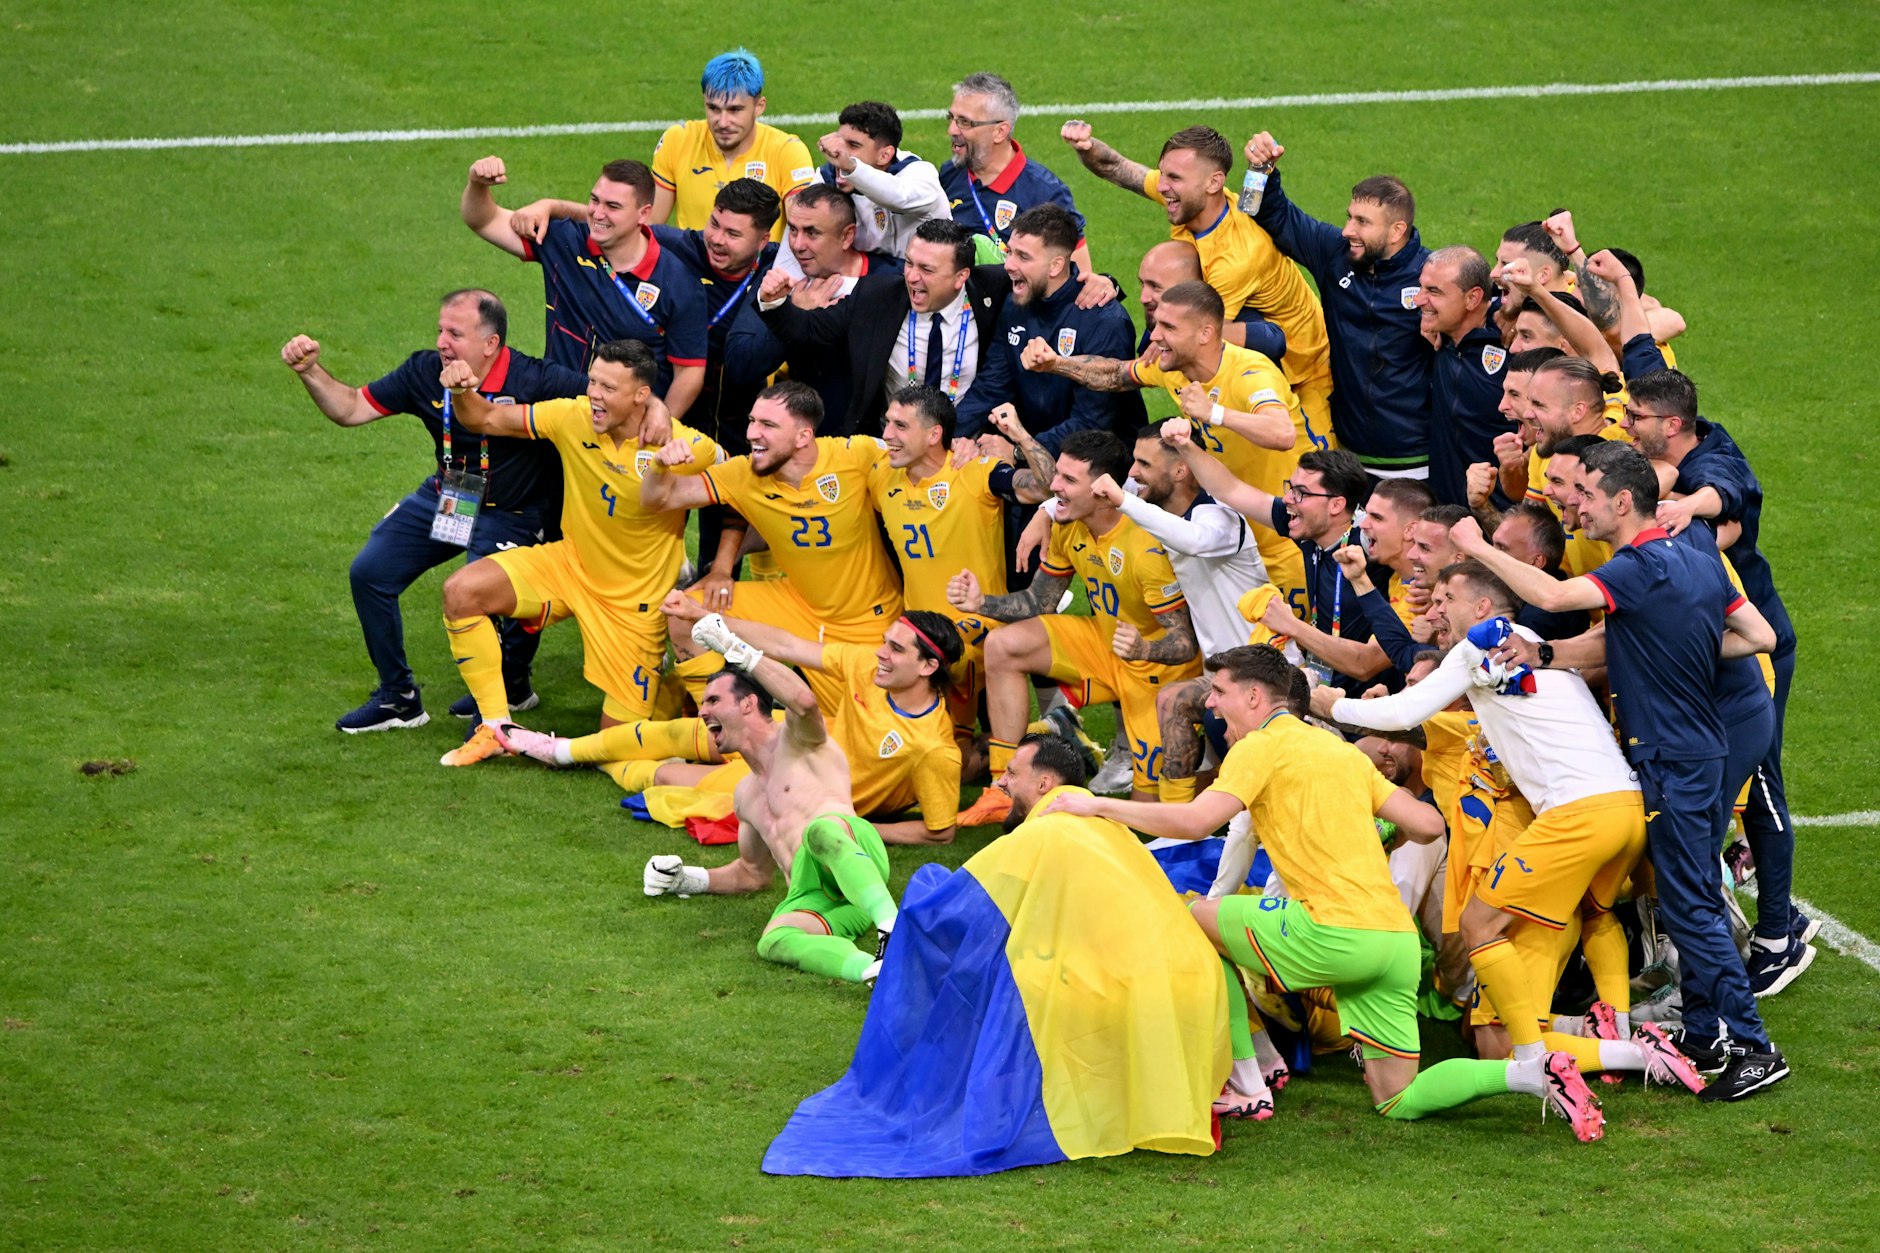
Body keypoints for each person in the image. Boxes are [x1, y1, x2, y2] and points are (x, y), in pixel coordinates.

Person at [1043, 645, 1608, 1139]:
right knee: (1397, 1099)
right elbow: (1430, 826)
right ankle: (1527, 1074)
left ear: (1257, 698)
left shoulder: (1259, 748)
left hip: (1333, 933)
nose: (1211, 705)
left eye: (1219, 692)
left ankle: (1248, 1080)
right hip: (1392, 946)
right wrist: (1380, 831)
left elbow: (1196, 821)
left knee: (1190, 916)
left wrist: (1093, 803)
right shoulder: (1339, 752)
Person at [1451, 441, 1789, 1101]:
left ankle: (1755, 1046)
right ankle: (1702, 1031)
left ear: (1623, 501)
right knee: (1686, 896)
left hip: (1673, 759)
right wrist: (1676, 646)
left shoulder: (1632, 569)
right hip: (1694, 752)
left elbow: (1549, 590)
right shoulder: (1697, 559)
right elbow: (1760, 637)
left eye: (1590, 496)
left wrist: (1480, 545)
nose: (1581, 506)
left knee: (1690, 905)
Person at [1315, 561, 1706, 1092]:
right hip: (1626, 807)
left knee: (1480, 932)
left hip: (1577, 814)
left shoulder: (1483, 644)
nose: (1435, 608)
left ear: (1480, 607)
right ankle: (1613, 1027)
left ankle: (1534, 1059)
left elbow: (1403, 712)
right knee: (1595, 911)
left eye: (1446, 597)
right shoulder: (1536, 649)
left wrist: (1331, 703)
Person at [282, 291, 587, 732]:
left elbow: (604, 406)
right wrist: (310, 372)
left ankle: (505, 697)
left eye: (455, 334)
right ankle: (398, 698)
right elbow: (349, 408)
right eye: (440, 330)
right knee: (370, 572)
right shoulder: (426, 371)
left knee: (487, 591)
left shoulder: (538, 379)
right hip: (455, 495)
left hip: (517, 510)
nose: (442, 342)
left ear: (490, 343)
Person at [1619, 361, 1811, 992]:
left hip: (1752, 651)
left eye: (1635, 418)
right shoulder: (1696, 437)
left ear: (1672, 425)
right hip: (1715, 646)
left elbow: (1718, 500)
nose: (1626, 423)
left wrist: (1683, 510)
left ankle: (1778, 936)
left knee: (1759, 788)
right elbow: (1641, 352)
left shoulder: (1712, 468)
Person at [428, 338, 706, 766]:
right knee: (462, 592)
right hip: (570, 566)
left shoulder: (686, 446)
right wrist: (463, 392)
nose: (593, 394)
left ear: (640, 396)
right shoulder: (572, 415)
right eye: (593, 381)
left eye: (607, 388)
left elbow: (743, 486)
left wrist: (722, 567)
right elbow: (485, 419)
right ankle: (496, 727)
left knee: (616, 752)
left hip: (634, 605)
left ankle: (671, 688)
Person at [949, 430, 1201, 823]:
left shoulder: (1146, 548)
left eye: (1068, 480)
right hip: (1103, 642)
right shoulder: (1069, 525)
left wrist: (1143, 650)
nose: (1053, 487)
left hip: (1155, 667)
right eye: (1058, 476)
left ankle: (1212, 769)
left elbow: (1185, 643)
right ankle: (1003, 785)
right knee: (1003, 644)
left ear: (1103, 490)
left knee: (1151, 813)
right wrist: (981, 604)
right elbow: (1040, 602)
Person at [1021, 279, 1317, 611]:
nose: (1155, 334)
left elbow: (1282, 433)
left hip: (1287, 539)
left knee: (1298, 654)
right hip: (1230, 537)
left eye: (1168, 326)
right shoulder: (1175, 369)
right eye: (1157, 322)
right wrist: (1056, 364)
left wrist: (1214, 413)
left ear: (1205, 334)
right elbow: (1116, 374)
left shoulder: (1250, 372)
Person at [640, 616, 899, 985]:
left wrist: (735, 649)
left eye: (714, 700)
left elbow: (805, 701)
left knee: (820, 832)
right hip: (825, 899)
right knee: (774, 940)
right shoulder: (745, 795)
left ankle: (894, 929)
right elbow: (752, 873)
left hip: (857, 854)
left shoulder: (799, 739)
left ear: (748, 704)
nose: (702, 711)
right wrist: (687, 879)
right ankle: (873, 971)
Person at [1016, 425, 1272, 799]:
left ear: (1180, 471)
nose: (1132, 474)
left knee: (1252, 781)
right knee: (1222, 773)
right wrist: (1046, 511)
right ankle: (1176, 819)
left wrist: (1123, 501)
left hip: (1259, 673)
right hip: (1216, 670)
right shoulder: (1155, 505)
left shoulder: (1219, 520)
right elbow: (1084, 488)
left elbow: (1191, 540)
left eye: (1143, 464)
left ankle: (1180, 814)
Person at [641, 381, 903, 711]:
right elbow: (657, 499)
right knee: (684, 613)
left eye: (767, 425)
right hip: (798, 605)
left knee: (861, 737)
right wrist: (660, 466)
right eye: (752, 421)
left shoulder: (855, 455)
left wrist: (969, 449)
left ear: (803, 436)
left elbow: (914, 455)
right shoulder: (744, 472)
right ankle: (714, 719)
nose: (752, 433)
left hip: (868, 623)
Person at [1059, 122, 1334, 435]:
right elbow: (1118, 167)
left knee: (1313, 471)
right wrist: (1087, 146)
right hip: (1252, 340)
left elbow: (1198, 336)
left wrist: (1150, 348)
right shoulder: (1189, 201)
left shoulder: (1234, 259)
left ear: (1214, 182)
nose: (1163, 186)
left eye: (1174, 177)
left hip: (1305, 368)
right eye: (1163, 174)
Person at [869, 389, 1052, 773]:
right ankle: (1043, 740)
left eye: (901, 425)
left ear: (934, 435)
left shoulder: (976, 473)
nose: (888, 434)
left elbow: (1046, 487)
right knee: (948, 765)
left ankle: (997, 754)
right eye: (888, 422)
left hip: (979, 624)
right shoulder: (881, 475)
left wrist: (1017, 439)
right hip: (915, 627)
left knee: (936, 660)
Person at [1242, 131, 1432, 478]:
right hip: (1349, 457)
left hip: (1416, 463)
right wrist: (1260, 170)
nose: (1347, 230)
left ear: (1396, 231)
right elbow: (1273, 215)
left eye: (1362, 222)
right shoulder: (1336, 255)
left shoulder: (1433, 276)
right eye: (1349, 217)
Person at [459, 156, 707, 413]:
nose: (598, 213)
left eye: (613, 206)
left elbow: (689, 373)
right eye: (594, 200)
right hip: (562, 419)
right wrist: (477, 184)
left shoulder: (678, 283)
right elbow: (484, 220)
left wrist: (662, 424)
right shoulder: (564, 241)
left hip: (627, 426)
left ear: (643, 214)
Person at [756, 218, 1013, 436]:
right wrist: (774, 303)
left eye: (927, 269)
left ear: (961, 277)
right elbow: (808, 330)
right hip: (889, 443)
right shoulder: (877, 296)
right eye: (910, 263)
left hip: (961, 444)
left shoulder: (994, 288)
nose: (912, 276)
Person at [1172, 435, 1389, 693]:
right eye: (1290, 487)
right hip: (1325, 681)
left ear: (1337, 505)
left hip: (1371, 694)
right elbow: (1229, 489)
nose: (1287, 499)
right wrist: (1184, 445)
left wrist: (1290, 625)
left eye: (1301, 493)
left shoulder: (1369, 542)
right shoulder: (1308, 529)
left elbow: (1408, 533)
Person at [954, 204, 1145, 452]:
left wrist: (1018, 451)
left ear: (1055, 266)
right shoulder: (1015, 304)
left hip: (1098, 469)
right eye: (1009, 252)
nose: (1008, 265)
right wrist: (944, 435)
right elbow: (992, 385)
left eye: (1023, 256)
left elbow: (1091, 424)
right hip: (1038, 452)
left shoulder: (1105, 322)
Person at [937, 73, 1092, 277]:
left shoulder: (1045, 193)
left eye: (965, 122)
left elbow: (1080, 277)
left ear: (1000, 131)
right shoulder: (949, 174)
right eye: (952, 119)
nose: (951, 130)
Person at [650, 48, 814, 238]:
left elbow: (805, 225)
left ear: (759, 106)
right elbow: (650, 224)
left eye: (735, 110)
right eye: (713, 108)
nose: (723, 122)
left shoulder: (787, 151)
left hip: (762, 268)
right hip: (692, 266)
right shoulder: (678, 141)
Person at [1416, 245, 1516, 507]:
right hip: (1445, 512)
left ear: (1472, 299)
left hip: (1501, 513)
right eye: (1422, 288)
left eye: (1433, 292)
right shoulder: (1443, 334)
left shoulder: (1515, 342)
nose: (1418, 300)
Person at [815, 100, 949, 258]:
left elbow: (900, 197)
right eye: (840, 141)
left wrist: (851, 167)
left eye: (853, 145)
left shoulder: (919, 174)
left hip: (921, 275)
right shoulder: (827, 176)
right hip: (865, 273)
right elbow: (801, 231)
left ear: (884, 155)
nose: (840, 151)